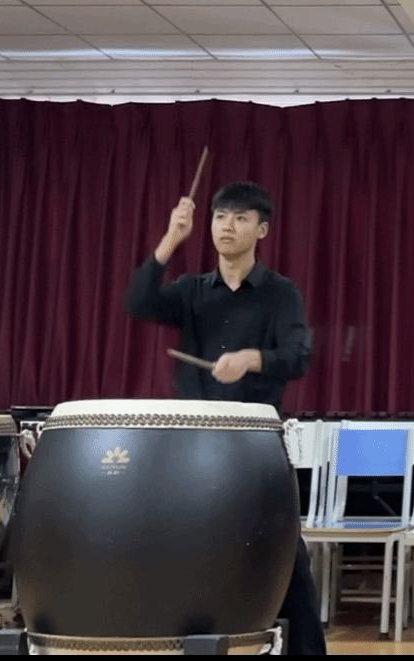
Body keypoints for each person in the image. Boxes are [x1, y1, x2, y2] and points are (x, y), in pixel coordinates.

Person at [124, 181, 326, 655]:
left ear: (262, 230)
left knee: (284, 558)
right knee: (187, 553)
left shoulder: (280, 293)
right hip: (192, 445)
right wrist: (171, 239)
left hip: (254, 446)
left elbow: (298, 355)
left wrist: (252, 359)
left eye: (239, 218)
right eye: (219, 217)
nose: (227, 226)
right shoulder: (191, 290)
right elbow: (138, 302)